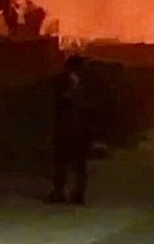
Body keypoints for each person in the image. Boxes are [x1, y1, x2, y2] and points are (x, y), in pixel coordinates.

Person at [49, 55, 92, 204]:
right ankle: (74, 193)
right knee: (77, 164)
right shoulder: (83, 84)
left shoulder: (67, 82)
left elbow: (62, 104)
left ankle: (62, 193)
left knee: (63, 163)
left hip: (69, 130)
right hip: (79, 129)